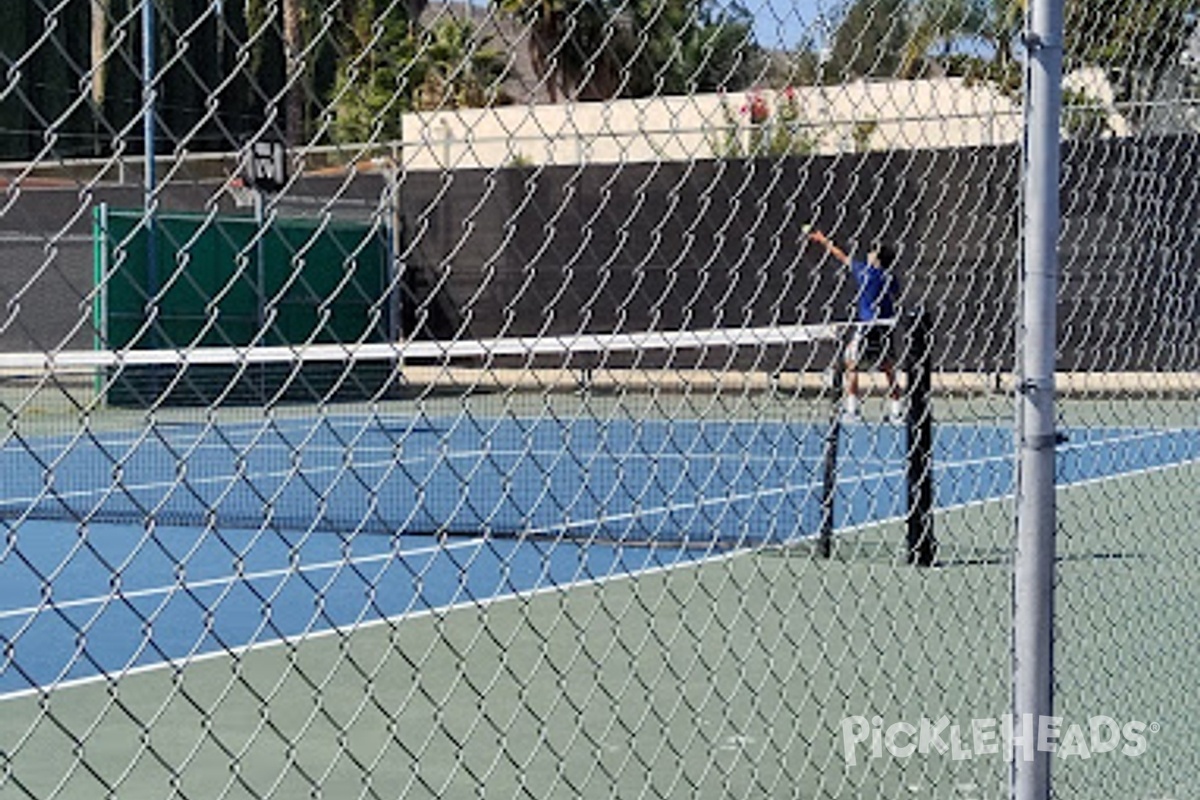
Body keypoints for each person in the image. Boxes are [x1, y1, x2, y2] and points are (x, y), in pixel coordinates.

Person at [807, 228, 904, 424]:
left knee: (851, 364)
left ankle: (851, 410)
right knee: (888, 368)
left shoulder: (864, 271)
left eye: (873, 251)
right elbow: (896, 294)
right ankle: (896, 412)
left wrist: (822, 239)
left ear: (877, 258)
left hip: (867, 326)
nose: (869, 253)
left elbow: (841, 255)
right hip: (886, 326)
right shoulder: (891, 277)